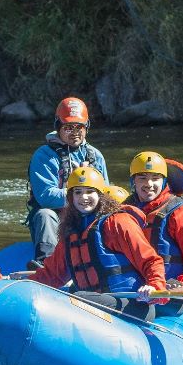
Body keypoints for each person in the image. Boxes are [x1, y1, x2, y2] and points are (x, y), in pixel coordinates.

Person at [28, 166, 166, 321]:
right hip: (92, 303)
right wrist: (24, 288)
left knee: (75, 298)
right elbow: (52, 274)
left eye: (89, 191)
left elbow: (151, 260)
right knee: (71, 294)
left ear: (100, 195)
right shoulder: (71, 232)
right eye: (78, 192)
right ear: (70, 197)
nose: (83, 197)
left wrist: (155, 286)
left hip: (132, 305)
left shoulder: (118, 222)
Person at [25, 96, 108, 268]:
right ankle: (46, 264)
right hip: (57, 218)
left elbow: (105, 193)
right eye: (69, 127)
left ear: (87, 128)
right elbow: (46, 197)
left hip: (88, 215)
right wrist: (78, 190)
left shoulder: (95, 156)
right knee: (44, 214)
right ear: (58, 127)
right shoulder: (44, 156)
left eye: (80, 127)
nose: (75, 132)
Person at [124, 151, 183, 287]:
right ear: (133, 181)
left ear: (164, 181)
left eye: (155, 178)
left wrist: (181, 285)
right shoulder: (123, 212)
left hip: (172, 290)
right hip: (135, 291)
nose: (149, 184)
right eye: (142, 178)